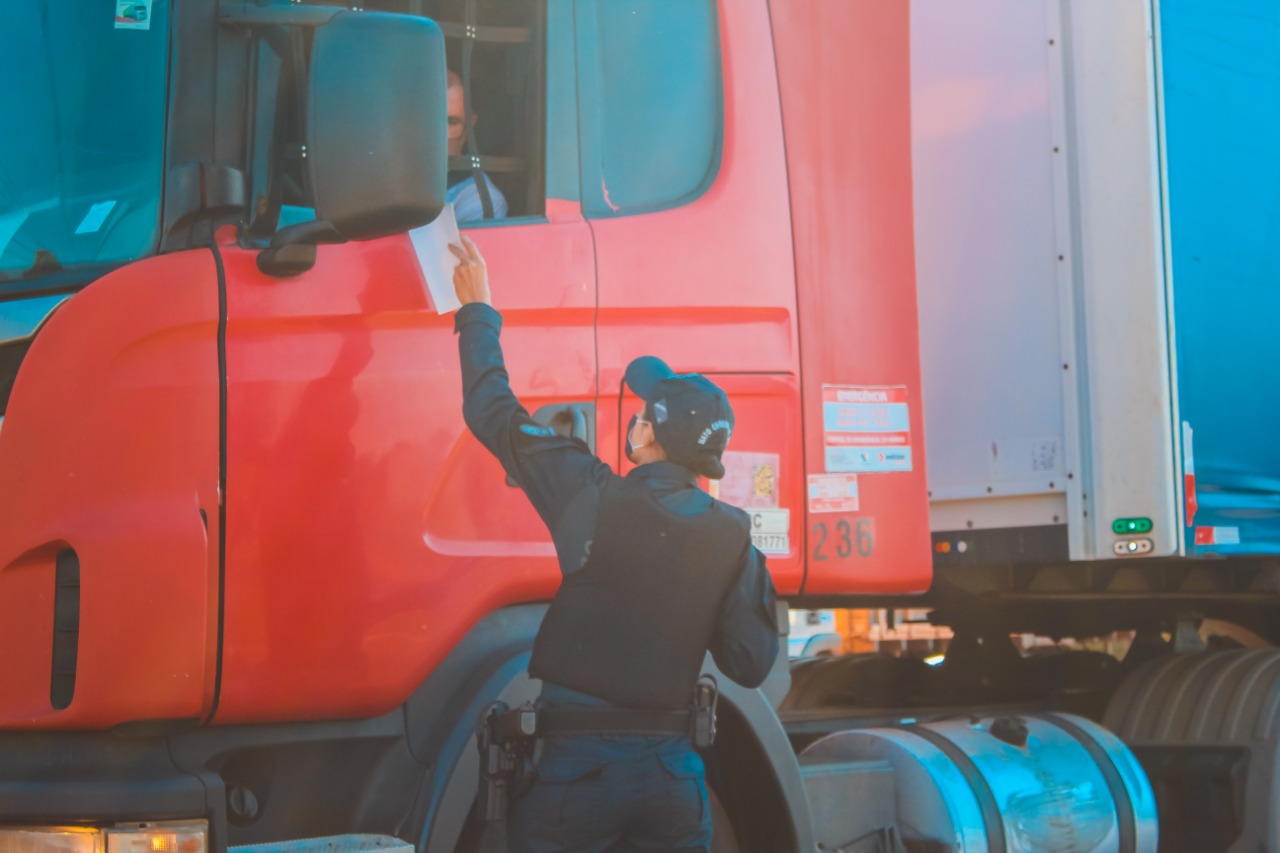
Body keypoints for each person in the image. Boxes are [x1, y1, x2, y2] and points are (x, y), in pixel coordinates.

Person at [450, 235, 779, 852]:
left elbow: (491, 409)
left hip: (574, 778)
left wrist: (478, 312)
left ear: (651, 435)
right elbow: (749, 664)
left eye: (643, 414)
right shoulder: (734, 535)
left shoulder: (592, 494)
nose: (635, 419)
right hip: (674, 783)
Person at [446, 70, 508, 222]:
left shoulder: (480, 201)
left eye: (451, 122)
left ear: (469, 127)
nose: (437, 134)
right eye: (427, 120)